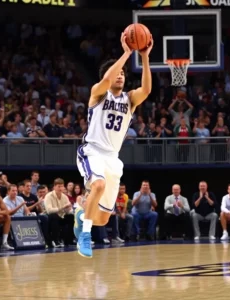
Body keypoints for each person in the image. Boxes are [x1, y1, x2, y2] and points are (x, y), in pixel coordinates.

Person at [76, 33, 153, 258]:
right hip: (92, 151)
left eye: (123, 73)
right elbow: (107, 81)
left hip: (112, 158)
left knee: (103, 218)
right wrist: (127, 53)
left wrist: (145, 57)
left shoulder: (129, 100)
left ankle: (81, 214)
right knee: (97, 186)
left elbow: (146, 90)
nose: (120, 76)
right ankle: (85, 236)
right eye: (116, 73)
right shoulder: (98, 94)